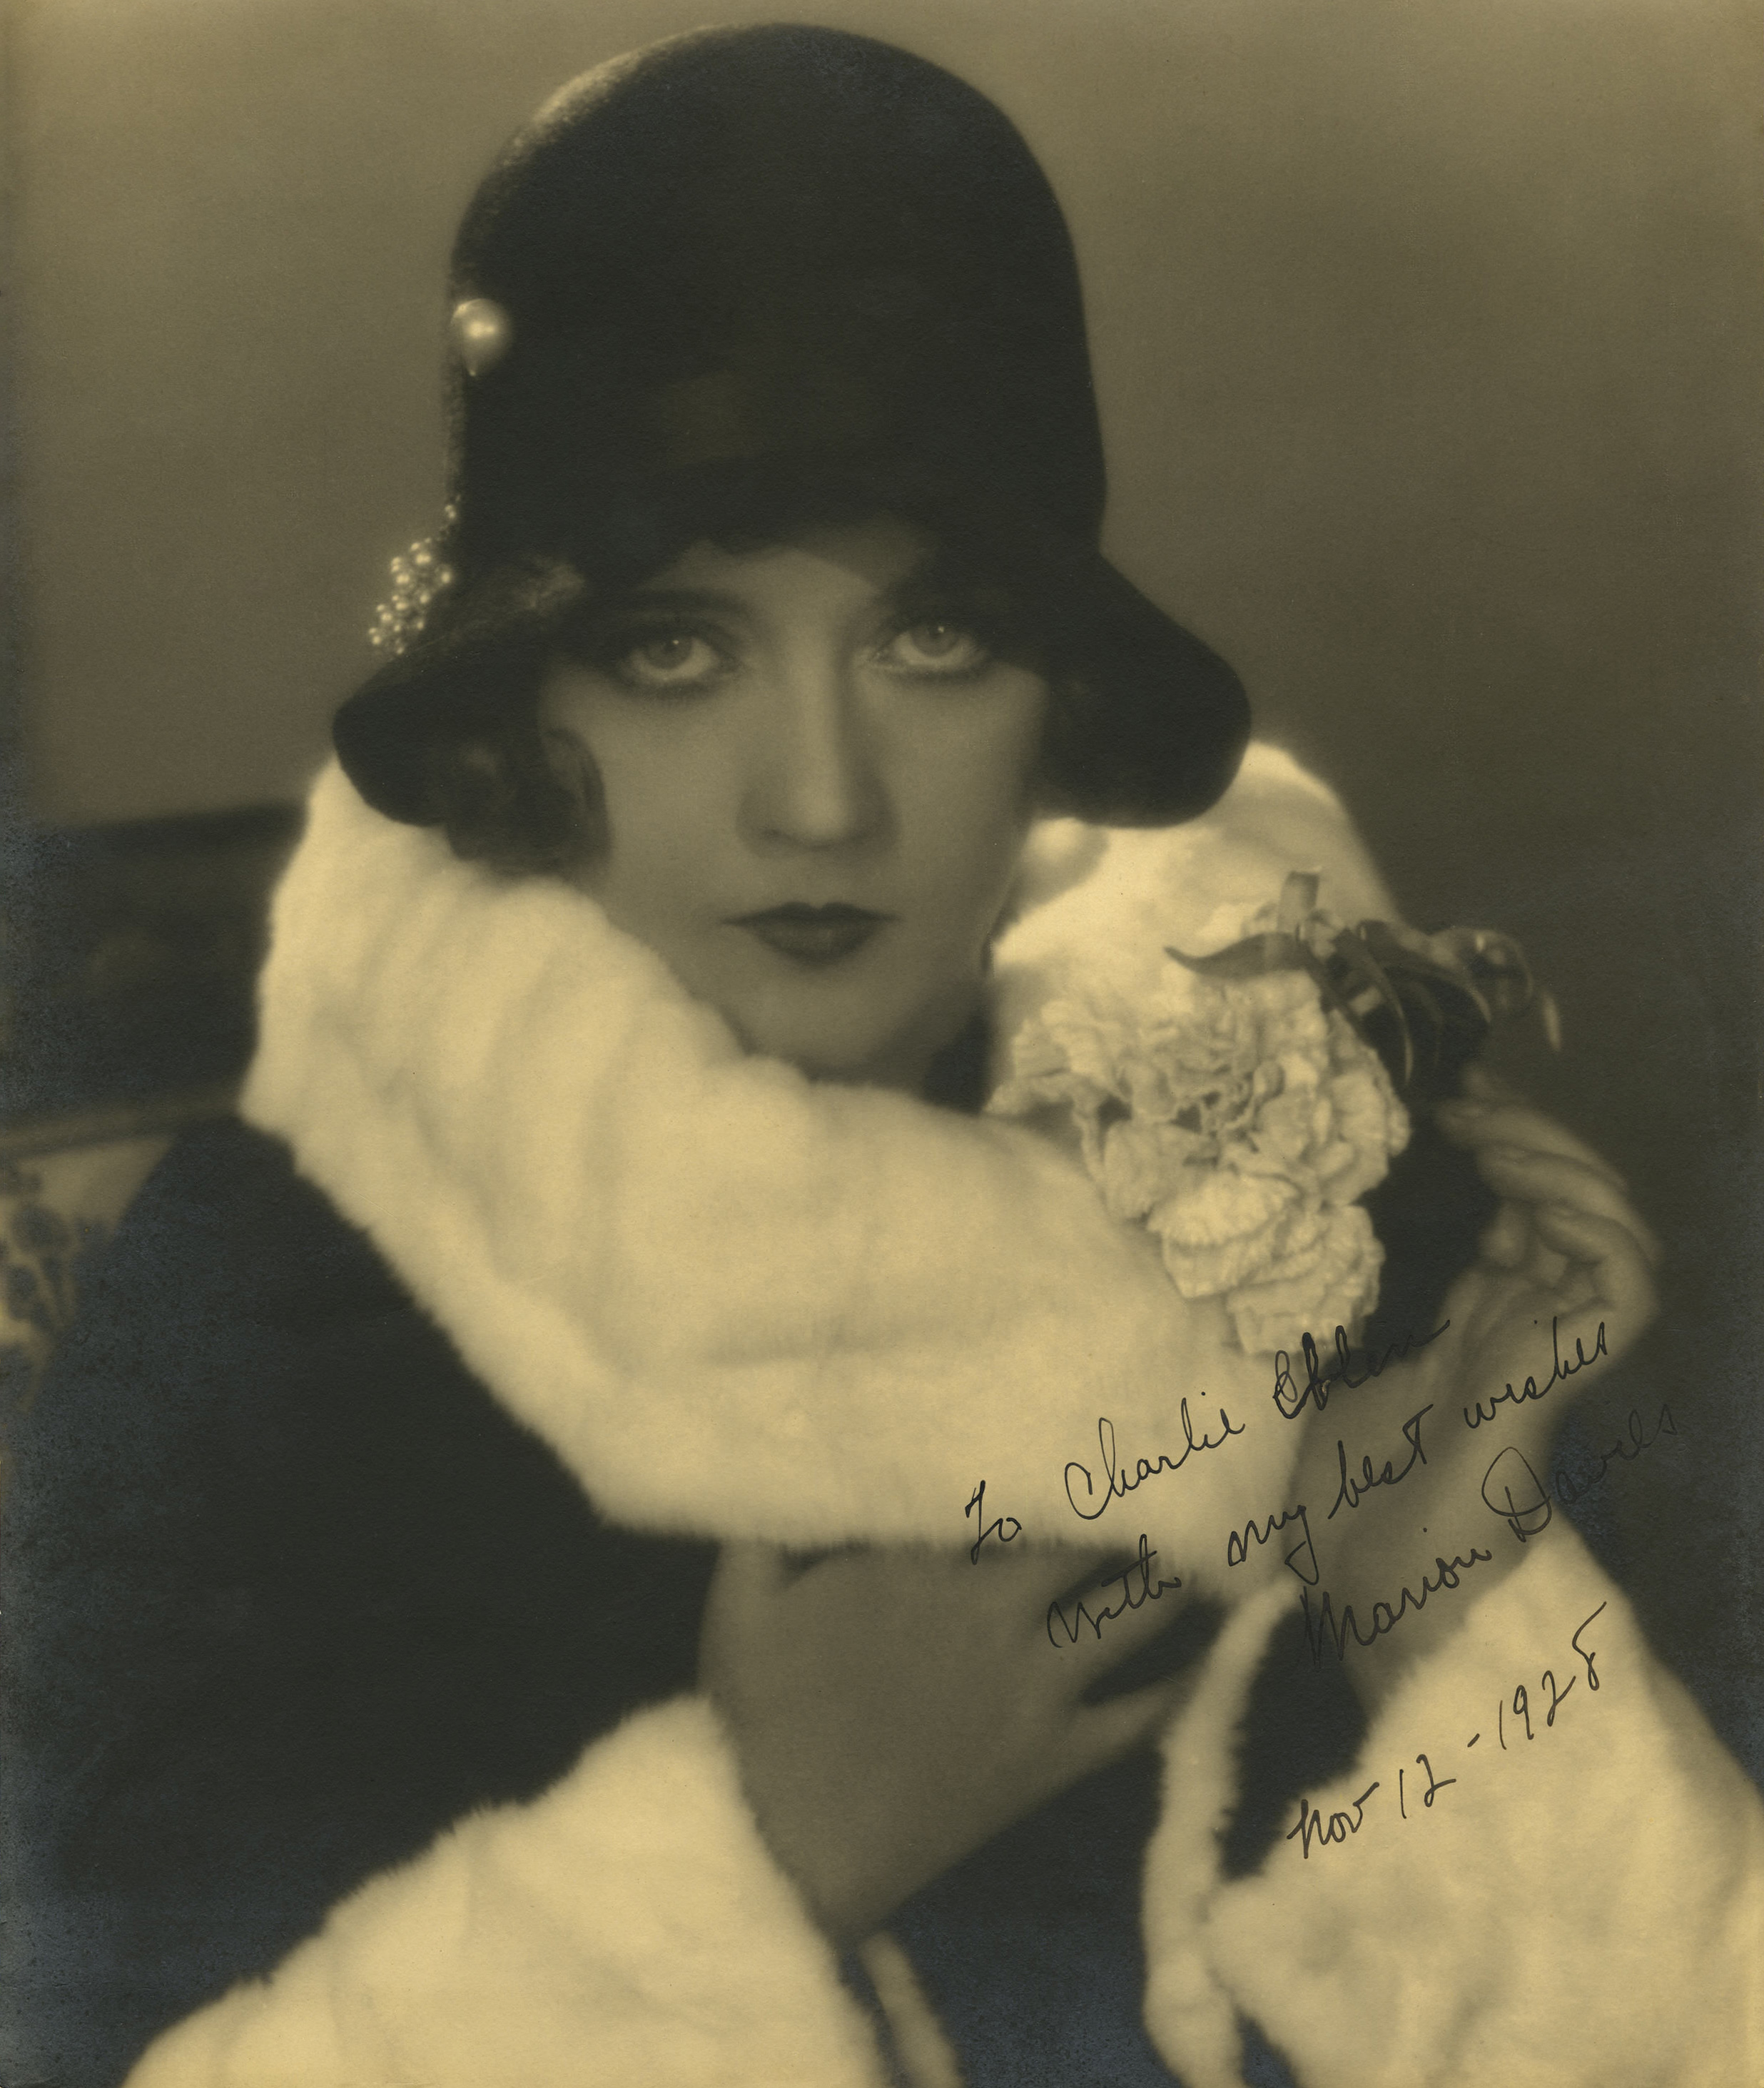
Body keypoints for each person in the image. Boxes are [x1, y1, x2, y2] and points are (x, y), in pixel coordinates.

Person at [3, 24, 1757, 2088]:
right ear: (522, 717)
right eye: (678, 651)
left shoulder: (1344, 1239)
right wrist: (766, 1855)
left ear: (1053, 709)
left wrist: (1434, 1602)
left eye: (935, 642)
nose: (823, 802)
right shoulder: (258, 1317)